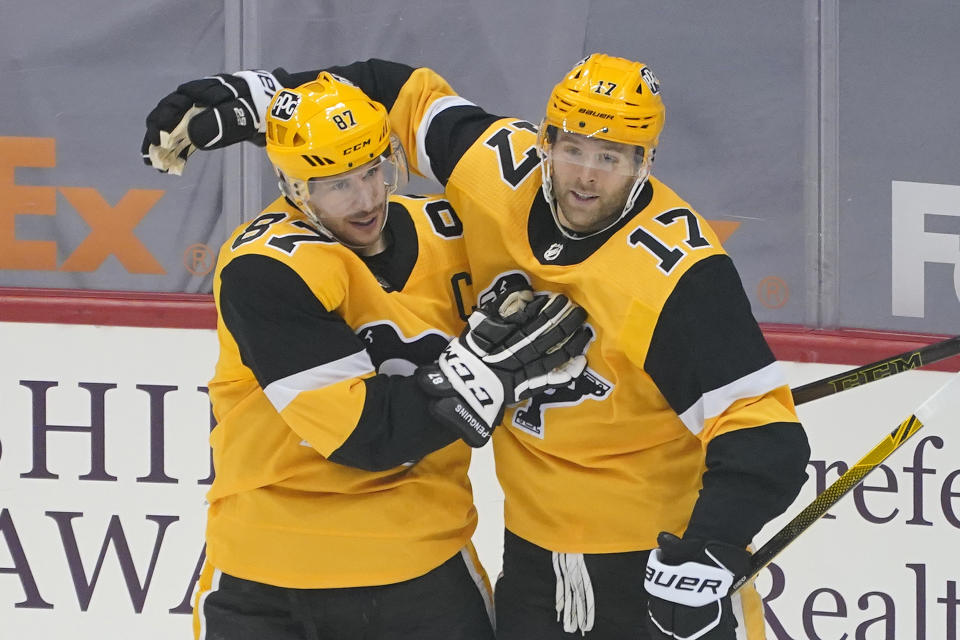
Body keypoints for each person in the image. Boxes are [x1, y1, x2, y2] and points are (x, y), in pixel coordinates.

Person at [143, 54, 811, 640]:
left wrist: (707, 550)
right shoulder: (495, 171)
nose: (586, 176)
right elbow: (392, 91)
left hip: (647, 557)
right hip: (533, 559)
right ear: (542, 140)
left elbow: (764, 437)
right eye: (573, 148)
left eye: (612, 158)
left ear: (645, 162)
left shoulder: (676, 272)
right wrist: (264, 98)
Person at [144, 73, 590, 640]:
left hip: (417, 570)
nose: (367, 198)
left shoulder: (451, 233)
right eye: (337, 184)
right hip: (268, 583)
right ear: (291, 183)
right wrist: (491, 368)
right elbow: (364, 434)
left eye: (373, 169)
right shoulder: (265, 267)